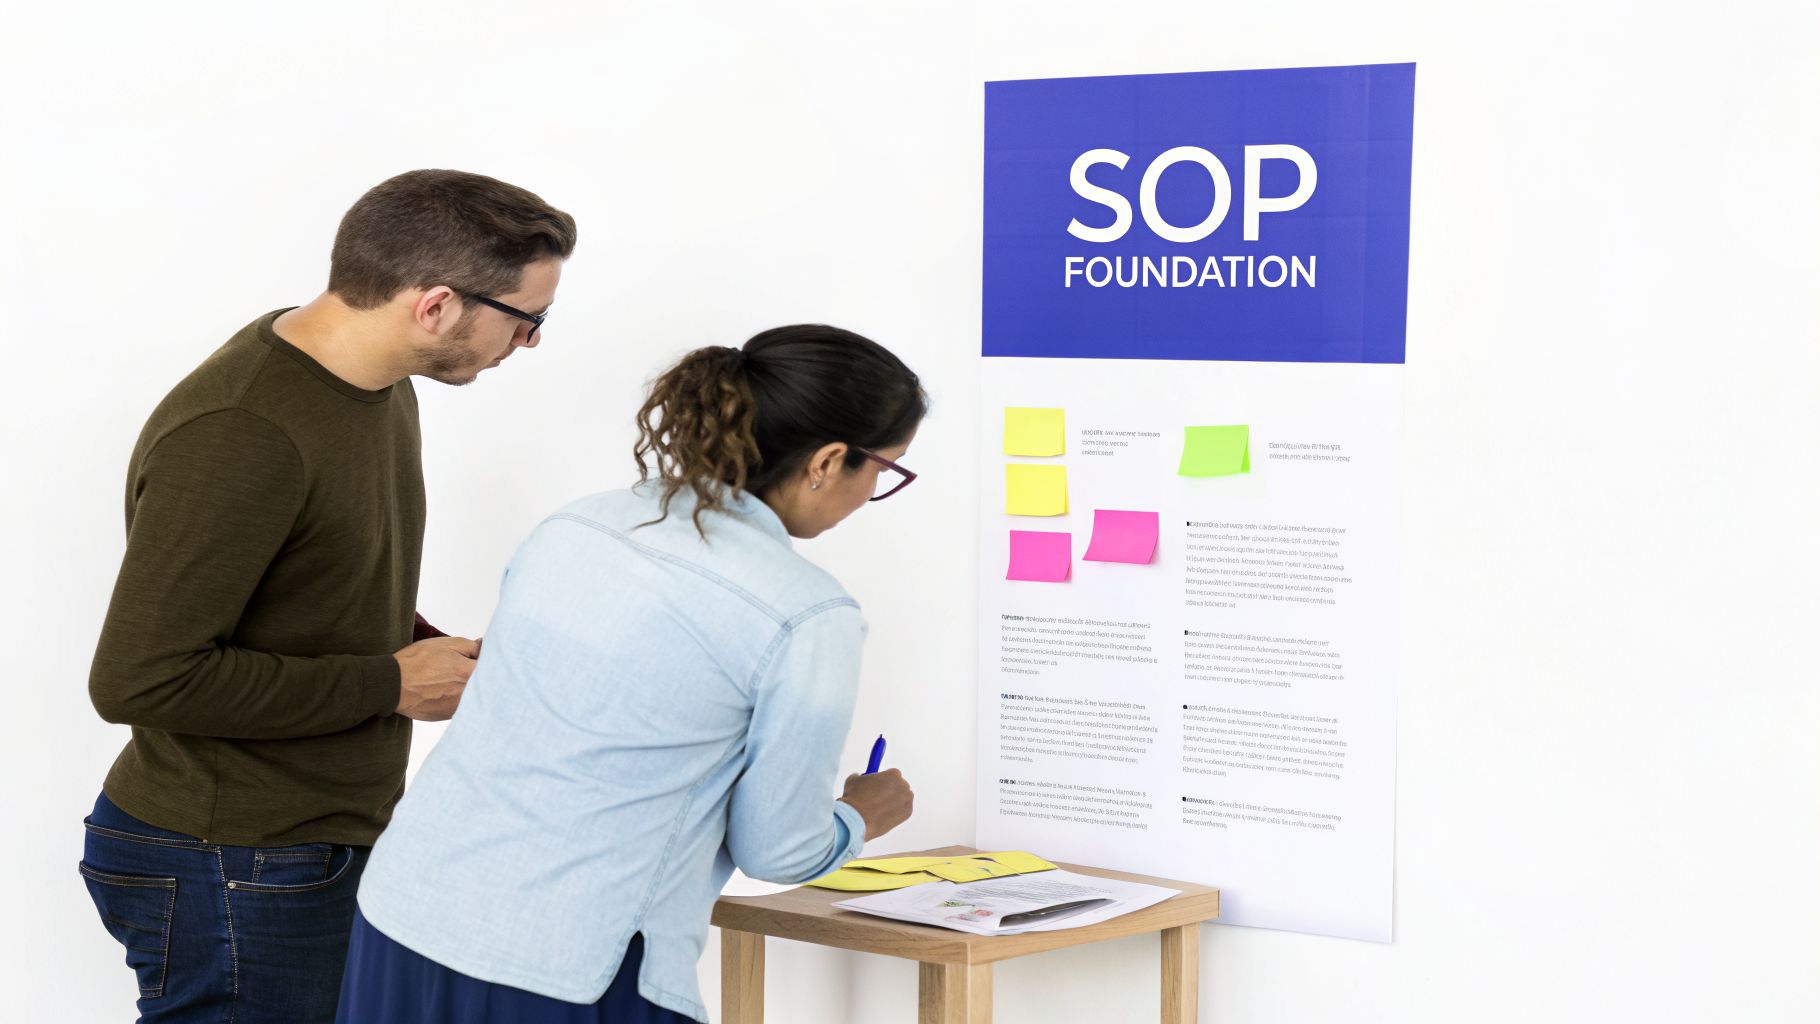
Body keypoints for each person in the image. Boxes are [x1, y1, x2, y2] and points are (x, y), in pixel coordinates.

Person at [80, 169, 578, 1023]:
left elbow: (311, 585)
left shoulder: (378, 384)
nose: (528, 342)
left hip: (308, 847)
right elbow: (141, 679)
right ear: (436, 306)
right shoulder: (242, 432)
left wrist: (430, 649)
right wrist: (391, 683)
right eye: (525, 320)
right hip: (231, 860)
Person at [336, 325, 925, 1023]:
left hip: (403, 916)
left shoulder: (579, 525)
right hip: (567, 966)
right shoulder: (807, 613)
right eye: (883, 472)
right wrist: (859, 814)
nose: (871, 494)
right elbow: (779, 850)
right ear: (828, 460)